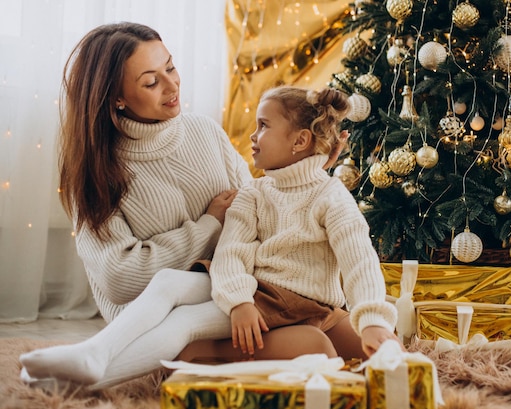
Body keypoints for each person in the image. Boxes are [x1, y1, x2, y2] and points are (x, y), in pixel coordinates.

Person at [19, 22, 345, 389]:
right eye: (151, 81)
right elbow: (120, 279)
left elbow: (261, 213)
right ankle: (98, 362)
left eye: (170, 68)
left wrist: (309, 169)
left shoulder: (204, 132)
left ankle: (82, 370)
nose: (172, 86)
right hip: (154, 327)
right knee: (305, 342)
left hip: (237, 291)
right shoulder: (97, 174)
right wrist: (208, 226)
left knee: (324, 340)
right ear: (116, 98)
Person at [208, 85, 400, 360]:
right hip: (272, 307)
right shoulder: (253, 193)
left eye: (263, 126)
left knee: (391, 353)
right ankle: (204, 354)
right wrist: (239, 302)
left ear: (299, 142)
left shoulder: (331, 196)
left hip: (320, 310)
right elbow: (230, 253)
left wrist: (372, 321)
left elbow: (359, 261)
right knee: (319, 349)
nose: (253, 135)